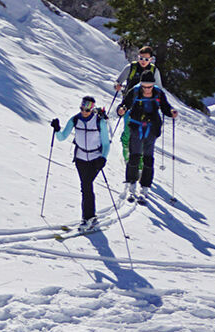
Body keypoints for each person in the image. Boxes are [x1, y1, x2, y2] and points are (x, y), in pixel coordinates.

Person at [52, 96, 113, 226]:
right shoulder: (75, 120)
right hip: (80, 159)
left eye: (87, 109)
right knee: (85, 187)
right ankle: (89, 217)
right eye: (82, 108)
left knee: (86, 186)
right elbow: (62, 137)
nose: (84, 112)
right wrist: (57, 129)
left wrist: (103, 158)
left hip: (95, 159)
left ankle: (88, 217)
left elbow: (106, 144)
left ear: (92, 109)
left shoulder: (99, 122)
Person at [115, 80, 176, 200]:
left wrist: (171, 112)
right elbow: (124, 104)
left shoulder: (158, 93)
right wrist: (121, 109)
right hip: (136, 127)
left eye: (149, 87)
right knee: (134, 155)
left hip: (152, 129)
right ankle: (131, 183)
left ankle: (145, 186)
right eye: (145, 87)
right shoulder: (135, 91)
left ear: (153, 85)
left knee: (148, 158)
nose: (147, 89)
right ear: (141, 85)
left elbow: (165, 107)